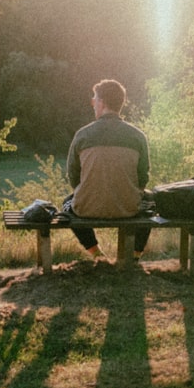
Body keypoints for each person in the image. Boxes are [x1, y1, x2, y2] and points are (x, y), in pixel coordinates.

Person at [63, 79, 151, 263]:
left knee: (67, 203)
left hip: (86, 208)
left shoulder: (82, 135)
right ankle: (134, 256)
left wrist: (89, 191)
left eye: (94, 99)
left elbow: (73, 176)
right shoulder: (137, 136)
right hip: (128, 208)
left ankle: (96, 253)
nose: (92, 103)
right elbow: (143, 177)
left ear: (101, 103)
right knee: (151, 201)